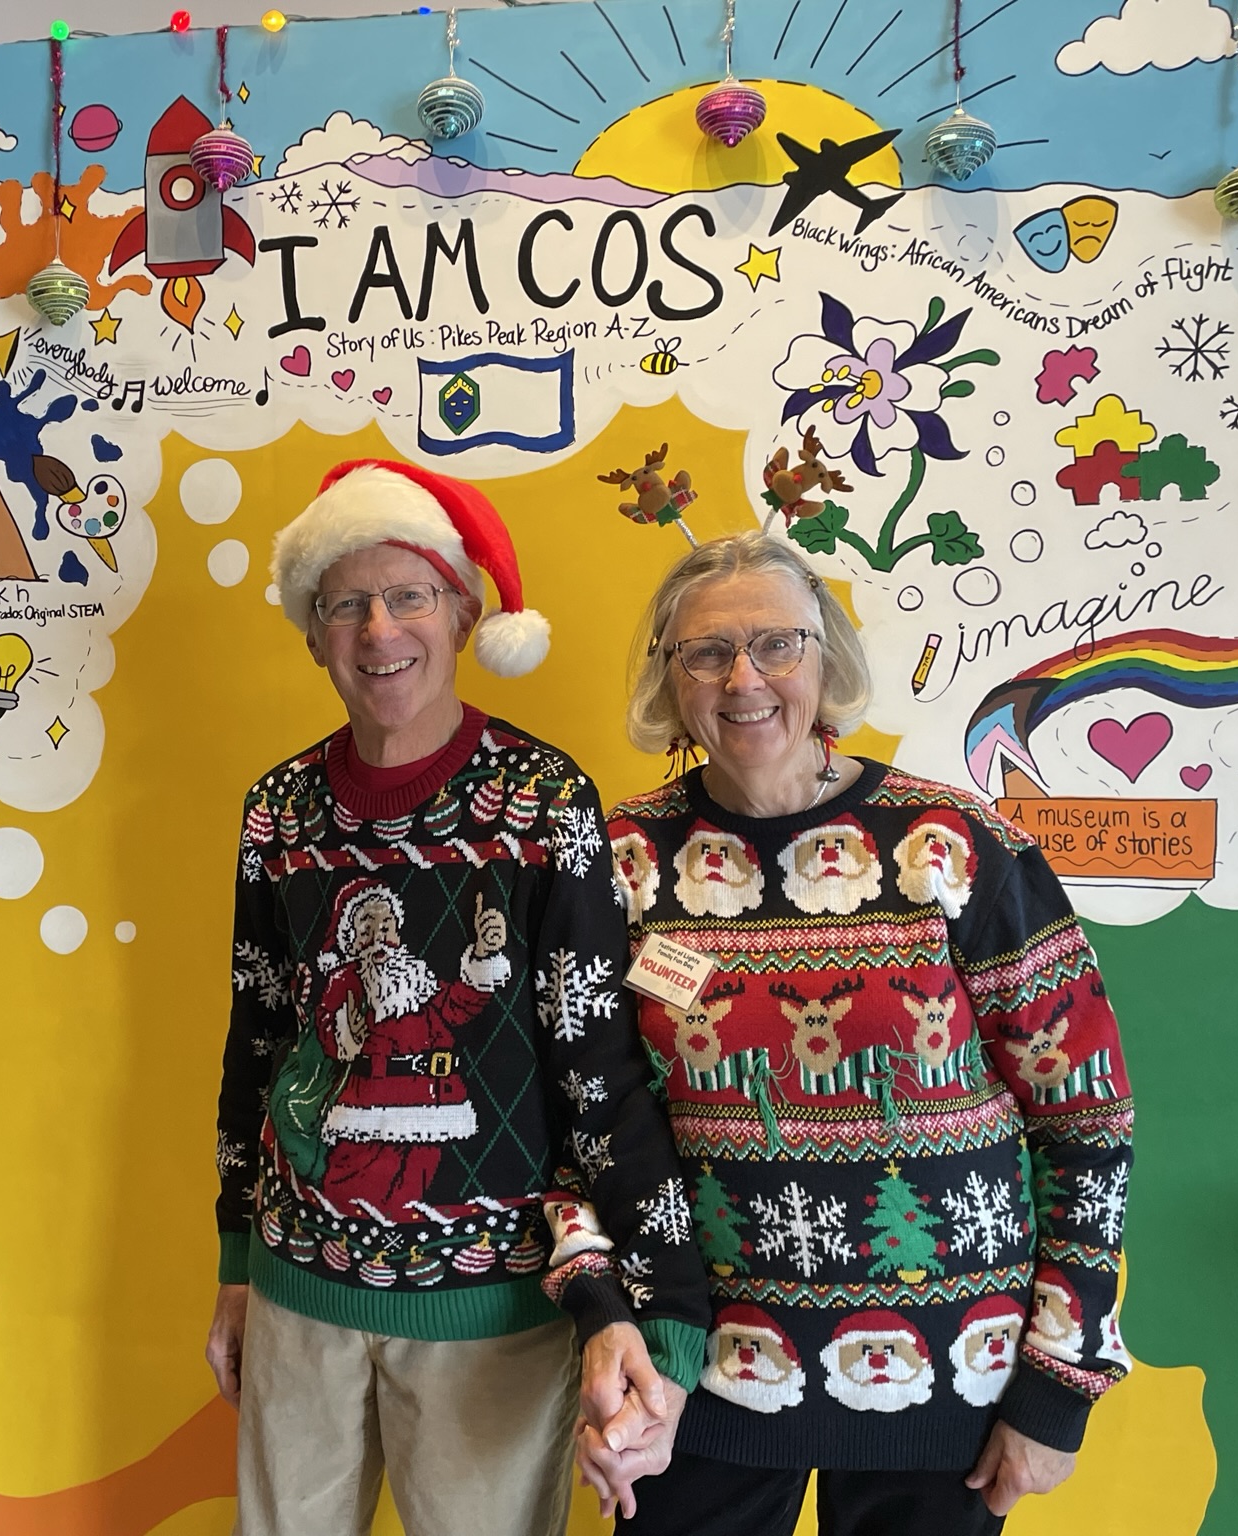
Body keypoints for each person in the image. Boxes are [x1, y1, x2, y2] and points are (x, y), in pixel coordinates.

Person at [577, 532, 1132, 1534]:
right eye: (706, 653)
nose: (743, 678)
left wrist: (1059, 1383)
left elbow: (1085, 1123)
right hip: (694, 1382)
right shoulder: (619, 862)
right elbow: (576, 1117)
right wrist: (607, 1321)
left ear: (825, 656)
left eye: (776, 644)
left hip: (943, 1378)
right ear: (670, 678)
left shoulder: (951, 848)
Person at [209, 459, 711, 1536]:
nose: (378, 629)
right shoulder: (276, 812)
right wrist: (236, 1263)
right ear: (312, 634)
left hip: (494, 1306)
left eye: (409, 595)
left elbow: (595, 1061)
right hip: (299, 1291)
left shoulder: (544, 802)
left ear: (465, 614)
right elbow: (256, 1040)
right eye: (345, 604)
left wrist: (657, 1304)